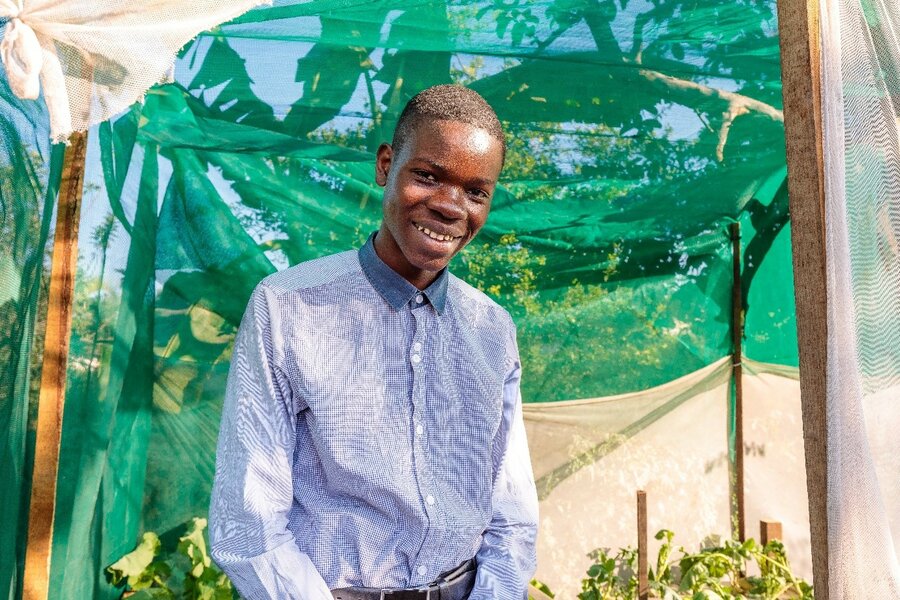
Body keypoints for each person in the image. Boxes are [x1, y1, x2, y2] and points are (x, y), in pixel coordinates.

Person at [209, 84, 539, 600]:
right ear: (386, 166)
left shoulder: (491, 330)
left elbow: (511, 511)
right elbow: (249, 527)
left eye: (476, 191)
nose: (452, 207)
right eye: (428, 176)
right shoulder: (289, 306)